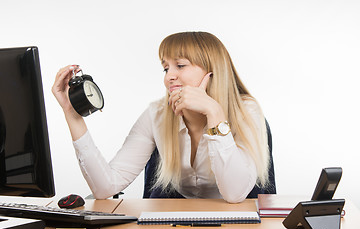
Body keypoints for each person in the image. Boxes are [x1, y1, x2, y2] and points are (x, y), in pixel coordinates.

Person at [52, 31, 269, 203]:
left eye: (180, 65)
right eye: (165, 68)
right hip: (173, 226)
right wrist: (72, 115)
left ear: (213, 71)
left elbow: (234, 194)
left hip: (237, 227)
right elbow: (105, 187)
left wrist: (214, 113)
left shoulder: (247, 111)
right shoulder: (156, 114)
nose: (169, 77)